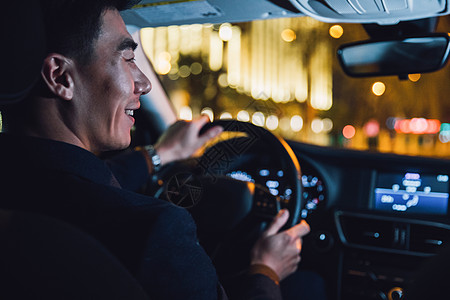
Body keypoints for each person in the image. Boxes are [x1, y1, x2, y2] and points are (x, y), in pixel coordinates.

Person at [0, 1, 311, 299]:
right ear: (60, 76)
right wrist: (266, 271)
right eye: (127, 59)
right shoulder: (157, 230)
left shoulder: (18, 186)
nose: (144, 83)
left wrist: (162, 153)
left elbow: (80, 181)